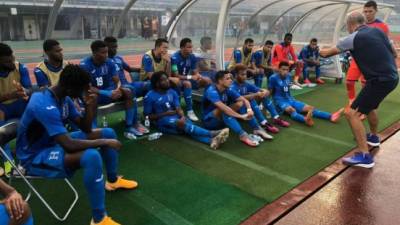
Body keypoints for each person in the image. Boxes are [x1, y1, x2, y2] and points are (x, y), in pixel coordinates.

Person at [16, 64, 138, 225]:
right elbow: (69, 145)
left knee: (108, 132)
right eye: (83, 89)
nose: (85, 92)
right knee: (92, 156)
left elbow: (85, 128)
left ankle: (113, 181)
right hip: (34, 157)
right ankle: (99, 219)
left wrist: (89, 105)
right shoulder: (44, 104)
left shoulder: (64, 98)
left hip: (54, 142)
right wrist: (104, 142)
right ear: (70, 87)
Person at [320, 12, 398, 168]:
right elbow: (394, 52)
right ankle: (374, 138)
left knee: (351, 113)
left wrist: (319, 49)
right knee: (369, 107)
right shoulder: (377, 31)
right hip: (392, 78)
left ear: (350, 24)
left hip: (378, 80)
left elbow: (327, 53)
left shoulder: (352, 37)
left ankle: (365, 156)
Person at [144, 71, 229, 150]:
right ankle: (212, 133)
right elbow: (147, 116)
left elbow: (178, 107)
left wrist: (182, 116)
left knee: (188, 127)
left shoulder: (172, 92)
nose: (167, 81)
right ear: (157, 84)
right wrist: (164, 114)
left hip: (176, 117)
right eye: (163, 80)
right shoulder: (150, 96)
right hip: (162, 122)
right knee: (186, 126)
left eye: (167, 79)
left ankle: (211, 141)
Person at [80, 40, 140, 139]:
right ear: (94, 53)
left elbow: (117, 81)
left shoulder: (109, 62)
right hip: (96, 95)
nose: (106, 55)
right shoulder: (85, 65)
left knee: (128, 91)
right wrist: (107, 93)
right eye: (103, 52)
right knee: (92, 97)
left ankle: (129, 125)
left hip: (110, 92)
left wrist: (117, 89)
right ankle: (93, 129)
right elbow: (88, 88)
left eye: (106, 52)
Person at [345, 0, 397, 106]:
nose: (367, 14)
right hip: (357, 59)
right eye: (365, 11)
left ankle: (365, 109)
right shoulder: (358, 23)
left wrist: (393, 55)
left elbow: (386, 43)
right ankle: (351, 102)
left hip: (371, 62)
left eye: (370, 11)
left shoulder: (382, 26)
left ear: (376, 11)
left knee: (367, 86)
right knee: (349, 81)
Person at [202, 70, 272, 147]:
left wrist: (249, 110)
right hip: (210, 121)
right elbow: (224, 109)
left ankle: (256, 128)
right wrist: (241, 116)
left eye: (230, 78)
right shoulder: (211, 91)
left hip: (223, 119)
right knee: (223, 110)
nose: (231, 80)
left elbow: (244, 100)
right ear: (220, 81)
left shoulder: (227, 89)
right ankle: (242, 135)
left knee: (241, 103)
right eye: (227, 78)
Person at [269, 61, 343, 126]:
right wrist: (271, 104)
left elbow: (288, 86)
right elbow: (270, 91)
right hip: (280, 101)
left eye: (287, 70)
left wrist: (297, 85)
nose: (285, 71)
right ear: (279, 69)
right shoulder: (273, 78)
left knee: (310, 108)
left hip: (290, 99)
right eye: (283, 69)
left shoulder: (288, 76)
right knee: (292, 110)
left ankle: (331, 116)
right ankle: (305, 119)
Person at [104, 36, 149, 135]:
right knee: (130, 90)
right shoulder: (103, 61)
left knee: (150, 85)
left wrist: (142, 69)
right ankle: (134, 123)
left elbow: (129, 68)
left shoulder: (118, 58)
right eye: (112, 47)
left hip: (128, 85)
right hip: (118, 89)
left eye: (116, 47)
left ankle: (149, 116)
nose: (114, 49)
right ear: (106, 47)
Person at [0, 43, 32, 176]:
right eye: (7, 61)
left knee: (33, 111)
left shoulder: (20, 67)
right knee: (1, 126)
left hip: (18, 104)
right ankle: (9, 162)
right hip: (2, 107)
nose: (12, 62)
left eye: (12, 58)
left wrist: (24, 91)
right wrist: (10, 95)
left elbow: (29, 88)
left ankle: (25, 155)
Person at [231, 65, 290, 134]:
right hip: (237, 113)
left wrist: (264, 91)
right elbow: (239, 98)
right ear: (236, 75)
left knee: (262, 96)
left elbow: (258, 89)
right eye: (242, 75)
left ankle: (276, 118)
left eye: (245, 74)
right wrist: (256, 94)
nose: (245, 76)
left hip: (247, 109)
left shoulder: (245, 83)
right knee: (245, 101)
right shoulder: (232, 86)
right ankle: (261, 124)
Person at [171, 38, 212, 121]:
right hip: (175, 81)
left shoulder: (192, 56)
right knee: (187, 83)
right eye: (188, 47)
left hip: (187, 78)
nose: (191, 49)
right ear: (182, 48)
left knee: (207, 80)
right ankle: (190, 111)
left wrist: (199, 76)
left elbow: (195, 71)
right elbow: (176, 75)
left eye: (191, 47)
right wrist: (190, 77)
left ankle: (206, 106)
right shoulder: (174, 58)